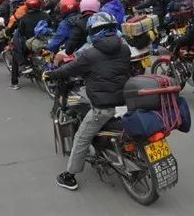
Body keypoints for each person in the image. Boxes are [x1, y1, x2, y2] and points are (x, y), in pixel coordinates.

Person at [44, 12, 131, 190]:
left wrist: (50, 74)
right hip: (125, 102)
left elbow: (69, 70)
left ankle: (69, 176)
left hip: (103, 107)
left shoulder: (91, 54)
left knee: (82, 137)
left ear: (94, 32)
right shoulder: (125, 48)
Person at [9, 0, 50, 89]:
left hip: (30, 43)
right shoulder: (46, 15)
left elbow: (21, 32)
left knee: (15, 51)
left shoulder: (24, 18)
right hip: (45, 41)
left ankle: (15, 81)